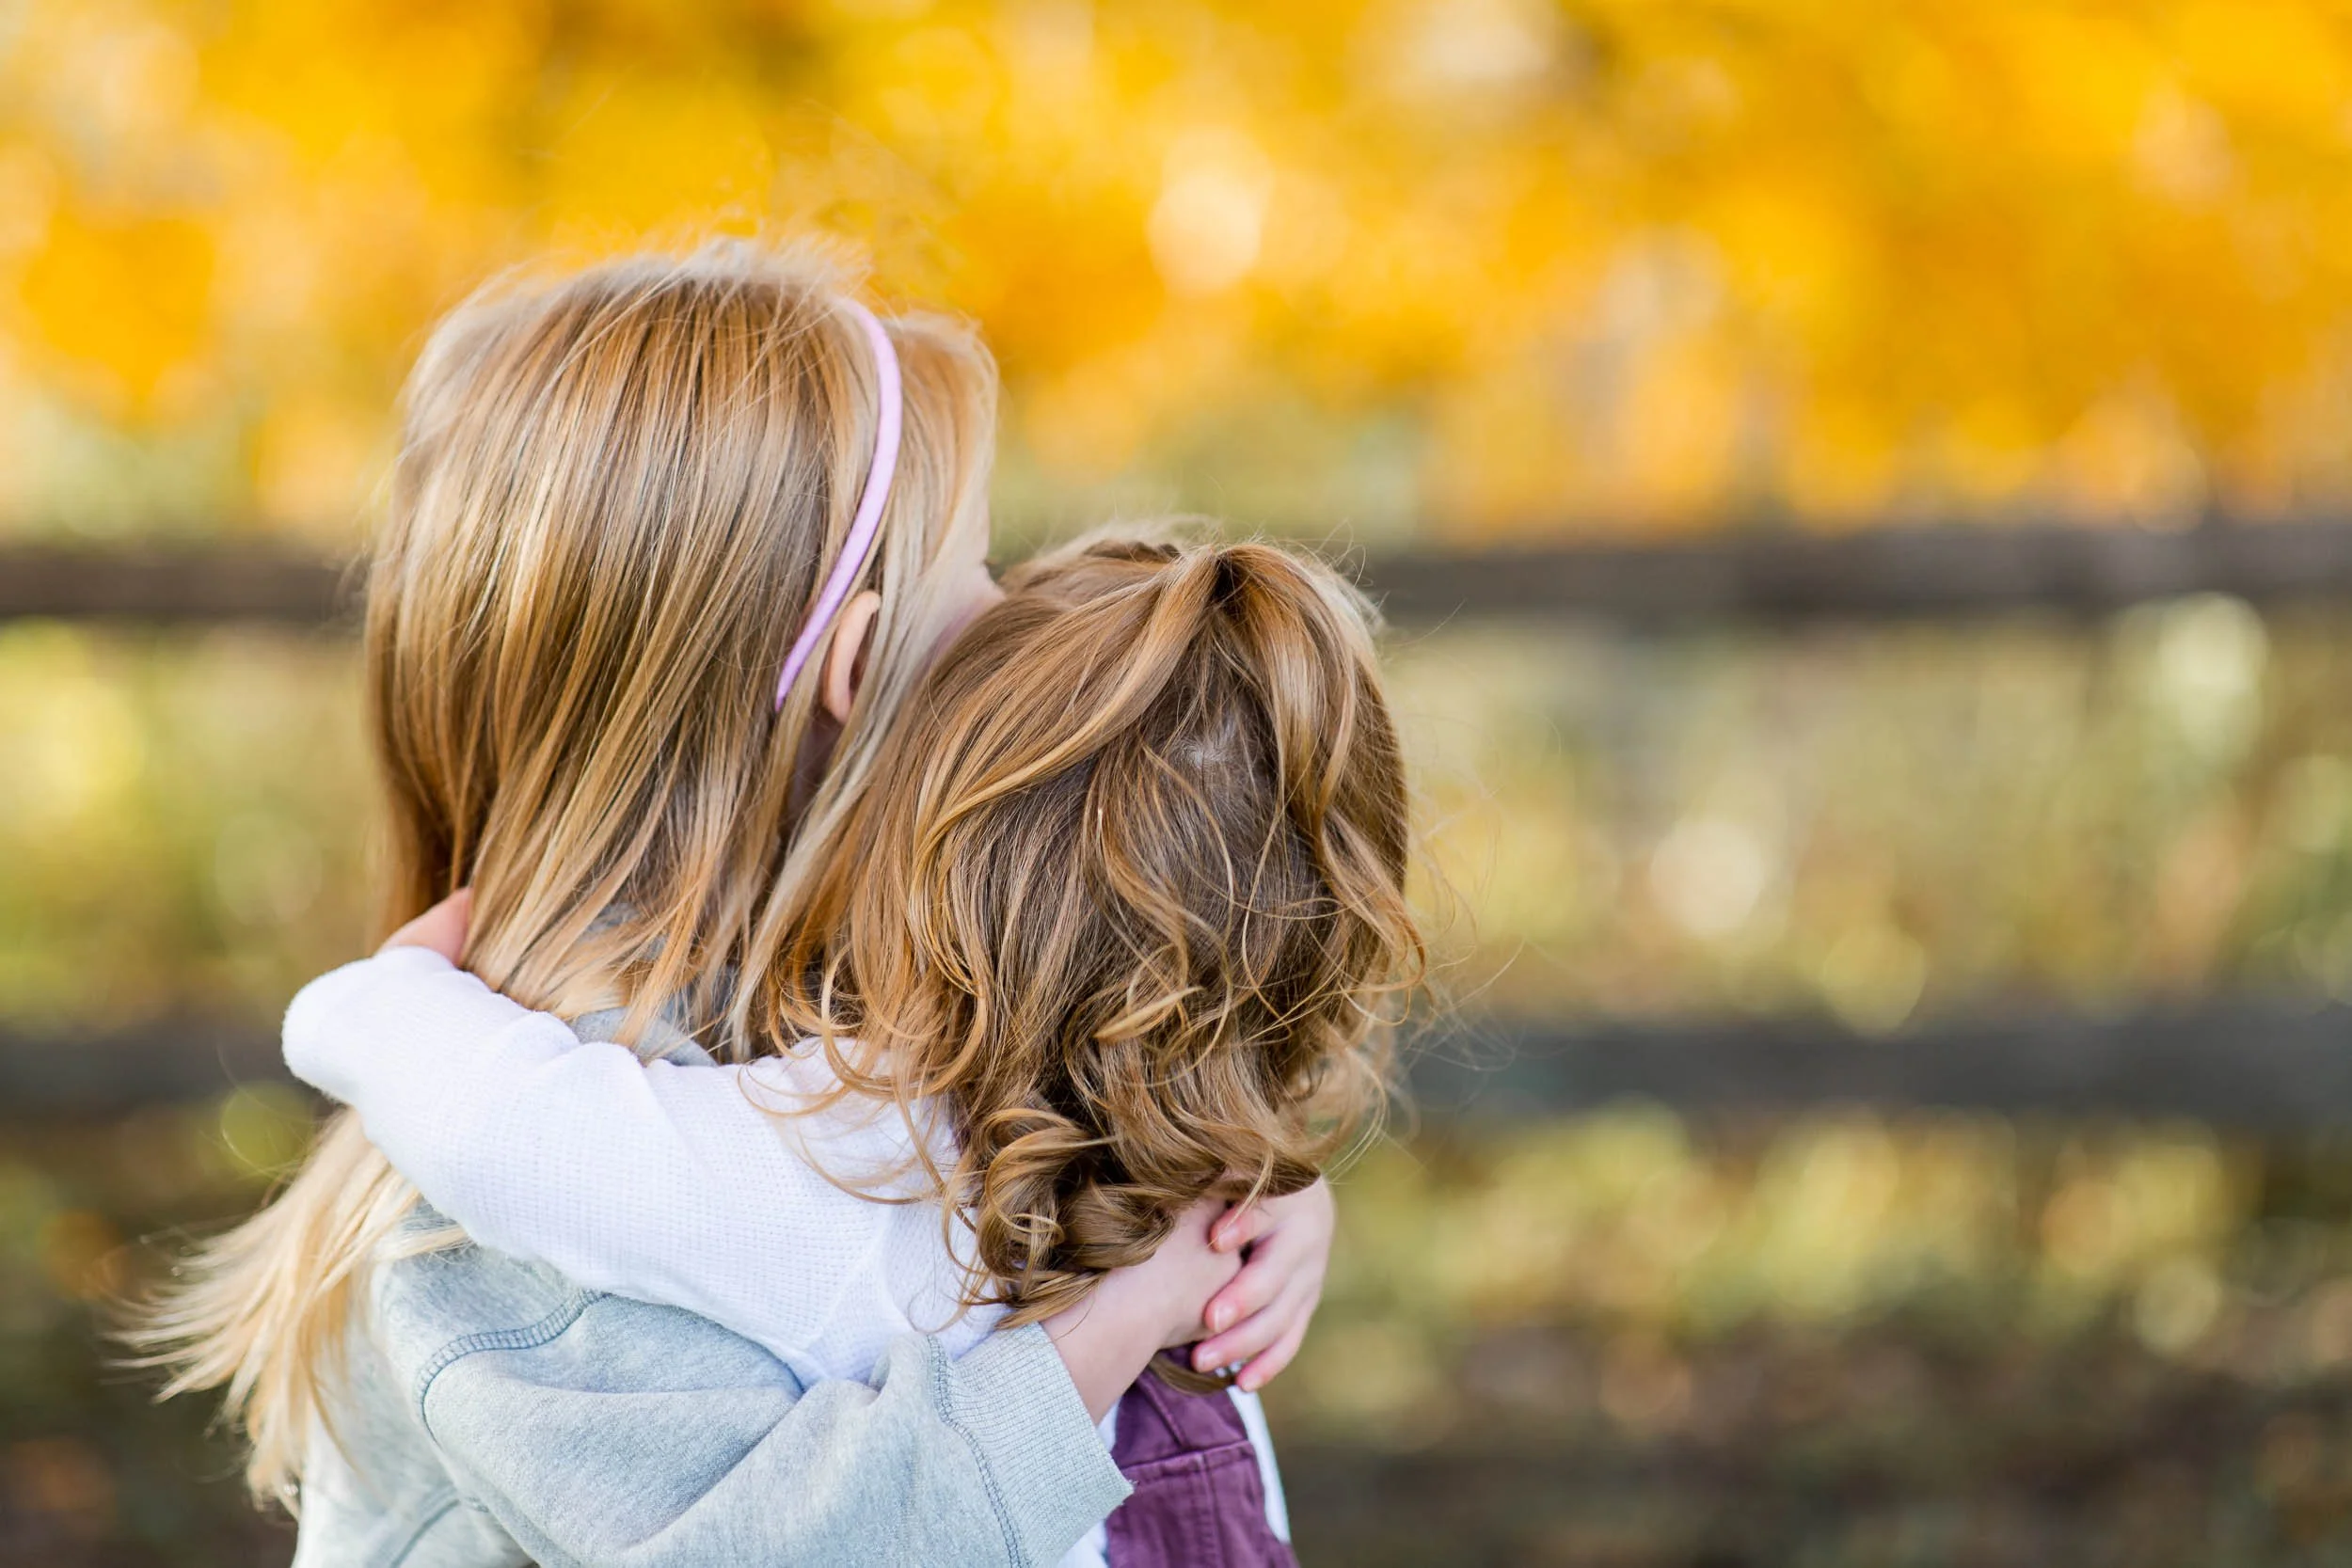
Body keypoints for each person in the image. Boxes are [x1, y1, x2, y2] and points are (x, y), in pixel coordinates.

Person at [129, 243, 1375, 1567]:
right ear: (850, 665)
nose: (1016, 617)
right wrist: (1116, 1318)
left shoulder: (881, 996)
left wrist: (1245, 1206)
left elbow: (1039, 1183)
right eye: (976, 574)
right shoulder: (510, 1239)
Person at [284, 532, 1418, 1566]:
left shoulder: (856, 1156)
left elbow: (531, 1141)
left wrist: (378, 1007)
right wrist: (1262, 1205)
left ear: (927, 853)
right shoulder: (1207, 1209)